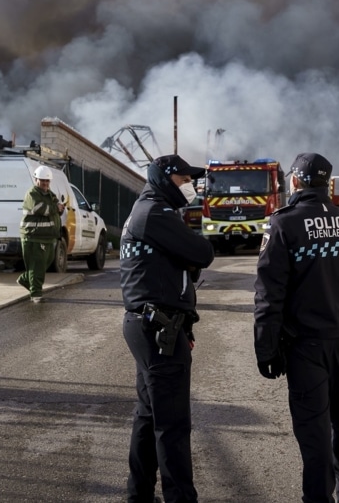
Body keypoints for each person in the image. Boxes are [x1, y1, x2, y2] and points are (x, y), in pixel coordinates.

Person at [253, 152, 339, 503]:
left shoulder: (283, 224)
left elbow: (268, 295)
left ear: (294, 181)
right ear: (329, 184)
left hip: (305, 348)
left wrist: (265, 349)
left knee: (315, 434)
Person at [119, 154, 215, 503]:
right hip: (157, 328)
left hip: (150, 325)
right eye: (184, 179)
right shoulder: (155, 213)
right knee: (172, 425)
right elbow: (202, 252)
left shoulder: (153, 211)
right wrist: (188, 257)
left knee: (148, 416)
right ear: (165, 178)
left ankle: (139, 495)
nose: (190, 185)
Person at [17, 165, 65, 302]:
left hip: (48, 236)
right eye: (42, 180)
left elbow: (57, 206)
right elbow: (40, 208)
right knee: (37, 265)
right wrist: (56, 208)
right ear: (36, 179)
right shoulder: (32, 194)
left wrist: (60, 208)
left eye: (47, 181)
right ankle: (36, 295)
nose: (45, 183)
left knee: (46, 262)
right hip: (33, 236)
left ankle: (26, 280)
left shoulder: (50, 194)